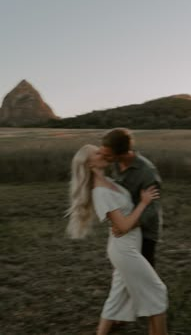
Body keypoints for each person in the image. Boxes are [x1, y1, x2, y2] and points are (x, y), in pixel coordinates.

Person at [66, 144, 168, 335]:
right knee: (158, 291)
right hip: (125, 250)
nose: (103, 153)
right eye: (97, 153)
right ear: (89, 164)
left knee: (116, 298)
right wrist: (144, 203)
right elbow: (123, 227)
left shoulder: (110, 181)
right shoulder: (101, 192)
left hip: (128, 247)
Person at [100, 128, 163, 267]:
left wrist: (126, 226)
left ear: (122, 153)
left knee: (144, 274)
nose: (105, 158)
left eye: (108, 155)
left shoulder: (147, 172)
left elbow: (151, 210)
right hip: (125, 226)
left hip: (144, 232)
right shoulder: (115, 164)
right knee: (125, 271)